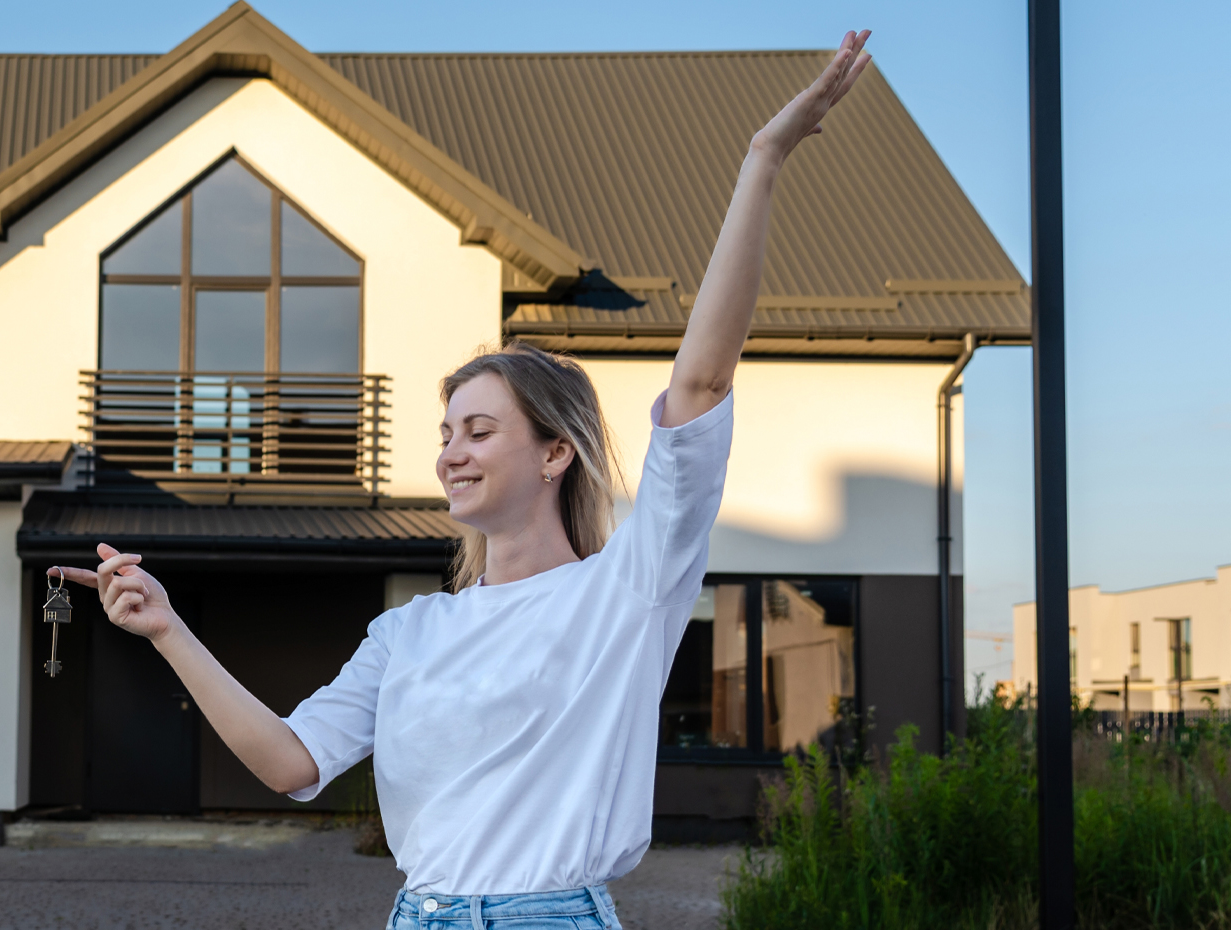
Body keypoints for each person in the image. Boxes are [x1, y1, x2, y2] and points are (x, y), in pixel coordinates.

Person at [49, 30, 872, 930]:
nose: (450, 453)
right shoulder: (409, 633)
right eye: (445, 433)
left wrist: (762, 159)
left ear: (556, 453)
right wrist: (167, 629)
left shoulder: (626, 593)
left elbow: (701, 383)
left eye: (480, 431)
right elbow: (290, 764)